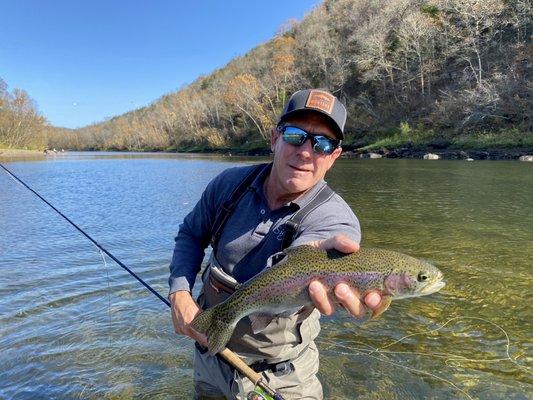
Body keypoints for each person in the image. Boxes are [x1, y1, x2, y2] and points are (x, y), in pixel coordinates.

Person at [169, 89, 383, 399]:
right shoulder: (228, 186)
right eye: (296, 136)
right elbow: (190, 234)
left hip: (278, 377)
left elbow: (315, 254)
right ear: (274, 139)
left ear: (333, 157)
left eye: (322, 144)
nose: (306, 152)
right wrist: (179, 291)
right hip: (208, 354)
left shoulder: (336, 220)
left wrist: (313, 261)